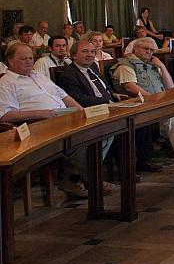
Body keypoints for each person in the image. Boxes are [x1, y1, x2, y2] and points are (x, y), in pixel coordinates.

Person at [0, 43, 87, 196]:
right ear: (10, 61)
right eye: (23, 59)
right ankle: (90, 181)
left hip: (63, 117)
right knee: (81, 140)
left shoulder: (37, 75)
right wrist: (41, 113)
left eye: (31, 58)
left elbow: (63, 95)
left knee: (101, 133)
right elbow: (5, 115)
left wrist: (82, 111)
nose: (29, 61)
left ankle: (75, 178)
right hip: (38, 126)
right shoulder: (6, 82)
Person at [58, 39, 127, 193]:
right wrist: (107, 101)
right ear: (74, 55)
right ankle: (92, 179)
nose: (90, 55)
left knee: (119, 129)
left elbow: (104, 87)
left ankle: (78, 174)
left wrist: (113, 94)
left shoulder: (93, 67)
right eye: (85, 51)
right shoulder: (69, 75)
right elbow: (79, 99)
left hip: (107, 108)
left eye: (92, 52)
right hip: (88, 115)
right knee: (108, 132)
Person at [111, 37, 174, 168]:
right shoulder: (126, 65)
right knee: (172, 115)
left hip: (159, 103)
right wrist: (154, 100)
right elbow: (130, 87)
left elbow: (170, 86)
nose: (149, 52)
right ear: (135, 49)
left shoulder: (153, 65)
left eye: (152, 50)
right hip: (141, 105)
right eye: (146, 49)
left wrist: (162, 66)